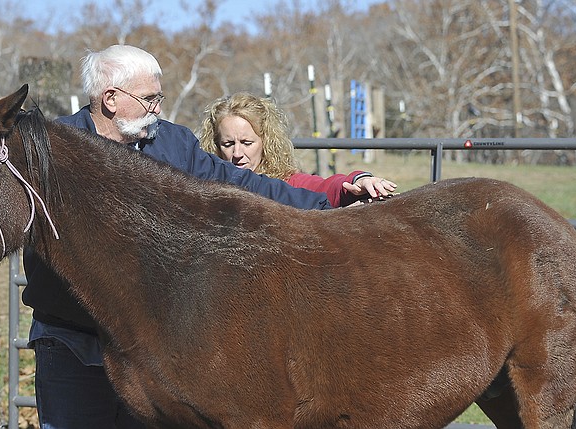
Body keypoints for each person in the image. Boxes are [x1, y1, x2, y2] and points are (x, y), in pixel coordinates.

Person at [22, 44, 393, 429]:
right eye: (149, 99)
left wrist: (325, 211)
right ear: (111, 99)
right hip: (71, 337)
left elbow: (239, 185)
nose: (158, 109)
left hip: (148, 346)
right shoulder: (51, 149)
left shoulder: (170, 144)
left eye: (159, 98)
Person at [198, 92, 397, 207]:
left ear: (265, 142)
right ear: (215, 145)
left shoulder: (285, 182)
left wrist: (358, 181)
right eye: (228, 144)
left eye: (247, 143)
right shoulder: (204, 187)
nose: (237, 154)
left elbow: (324, 187)